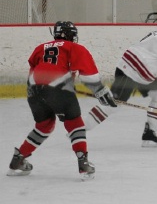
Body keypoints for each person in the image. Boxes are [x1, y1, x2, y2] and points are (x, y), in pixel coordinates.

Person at [6, 21, 116, 180]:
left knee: (44, 126)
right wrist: (101, 92)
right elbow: (89, 76)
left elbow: (38, 69)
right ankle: (83, 164)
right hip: (57, 87)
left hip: (33, 88)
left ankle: (18, 159)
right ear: (70, 35)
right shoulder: (74, 47)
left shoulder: (40, 48)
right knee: (75, 122)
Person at [83, 17, 157, 147]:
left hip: (139, 72)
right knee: (113, 104)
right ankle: (80, 129)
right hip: (132, 71)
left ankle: (149, 135)